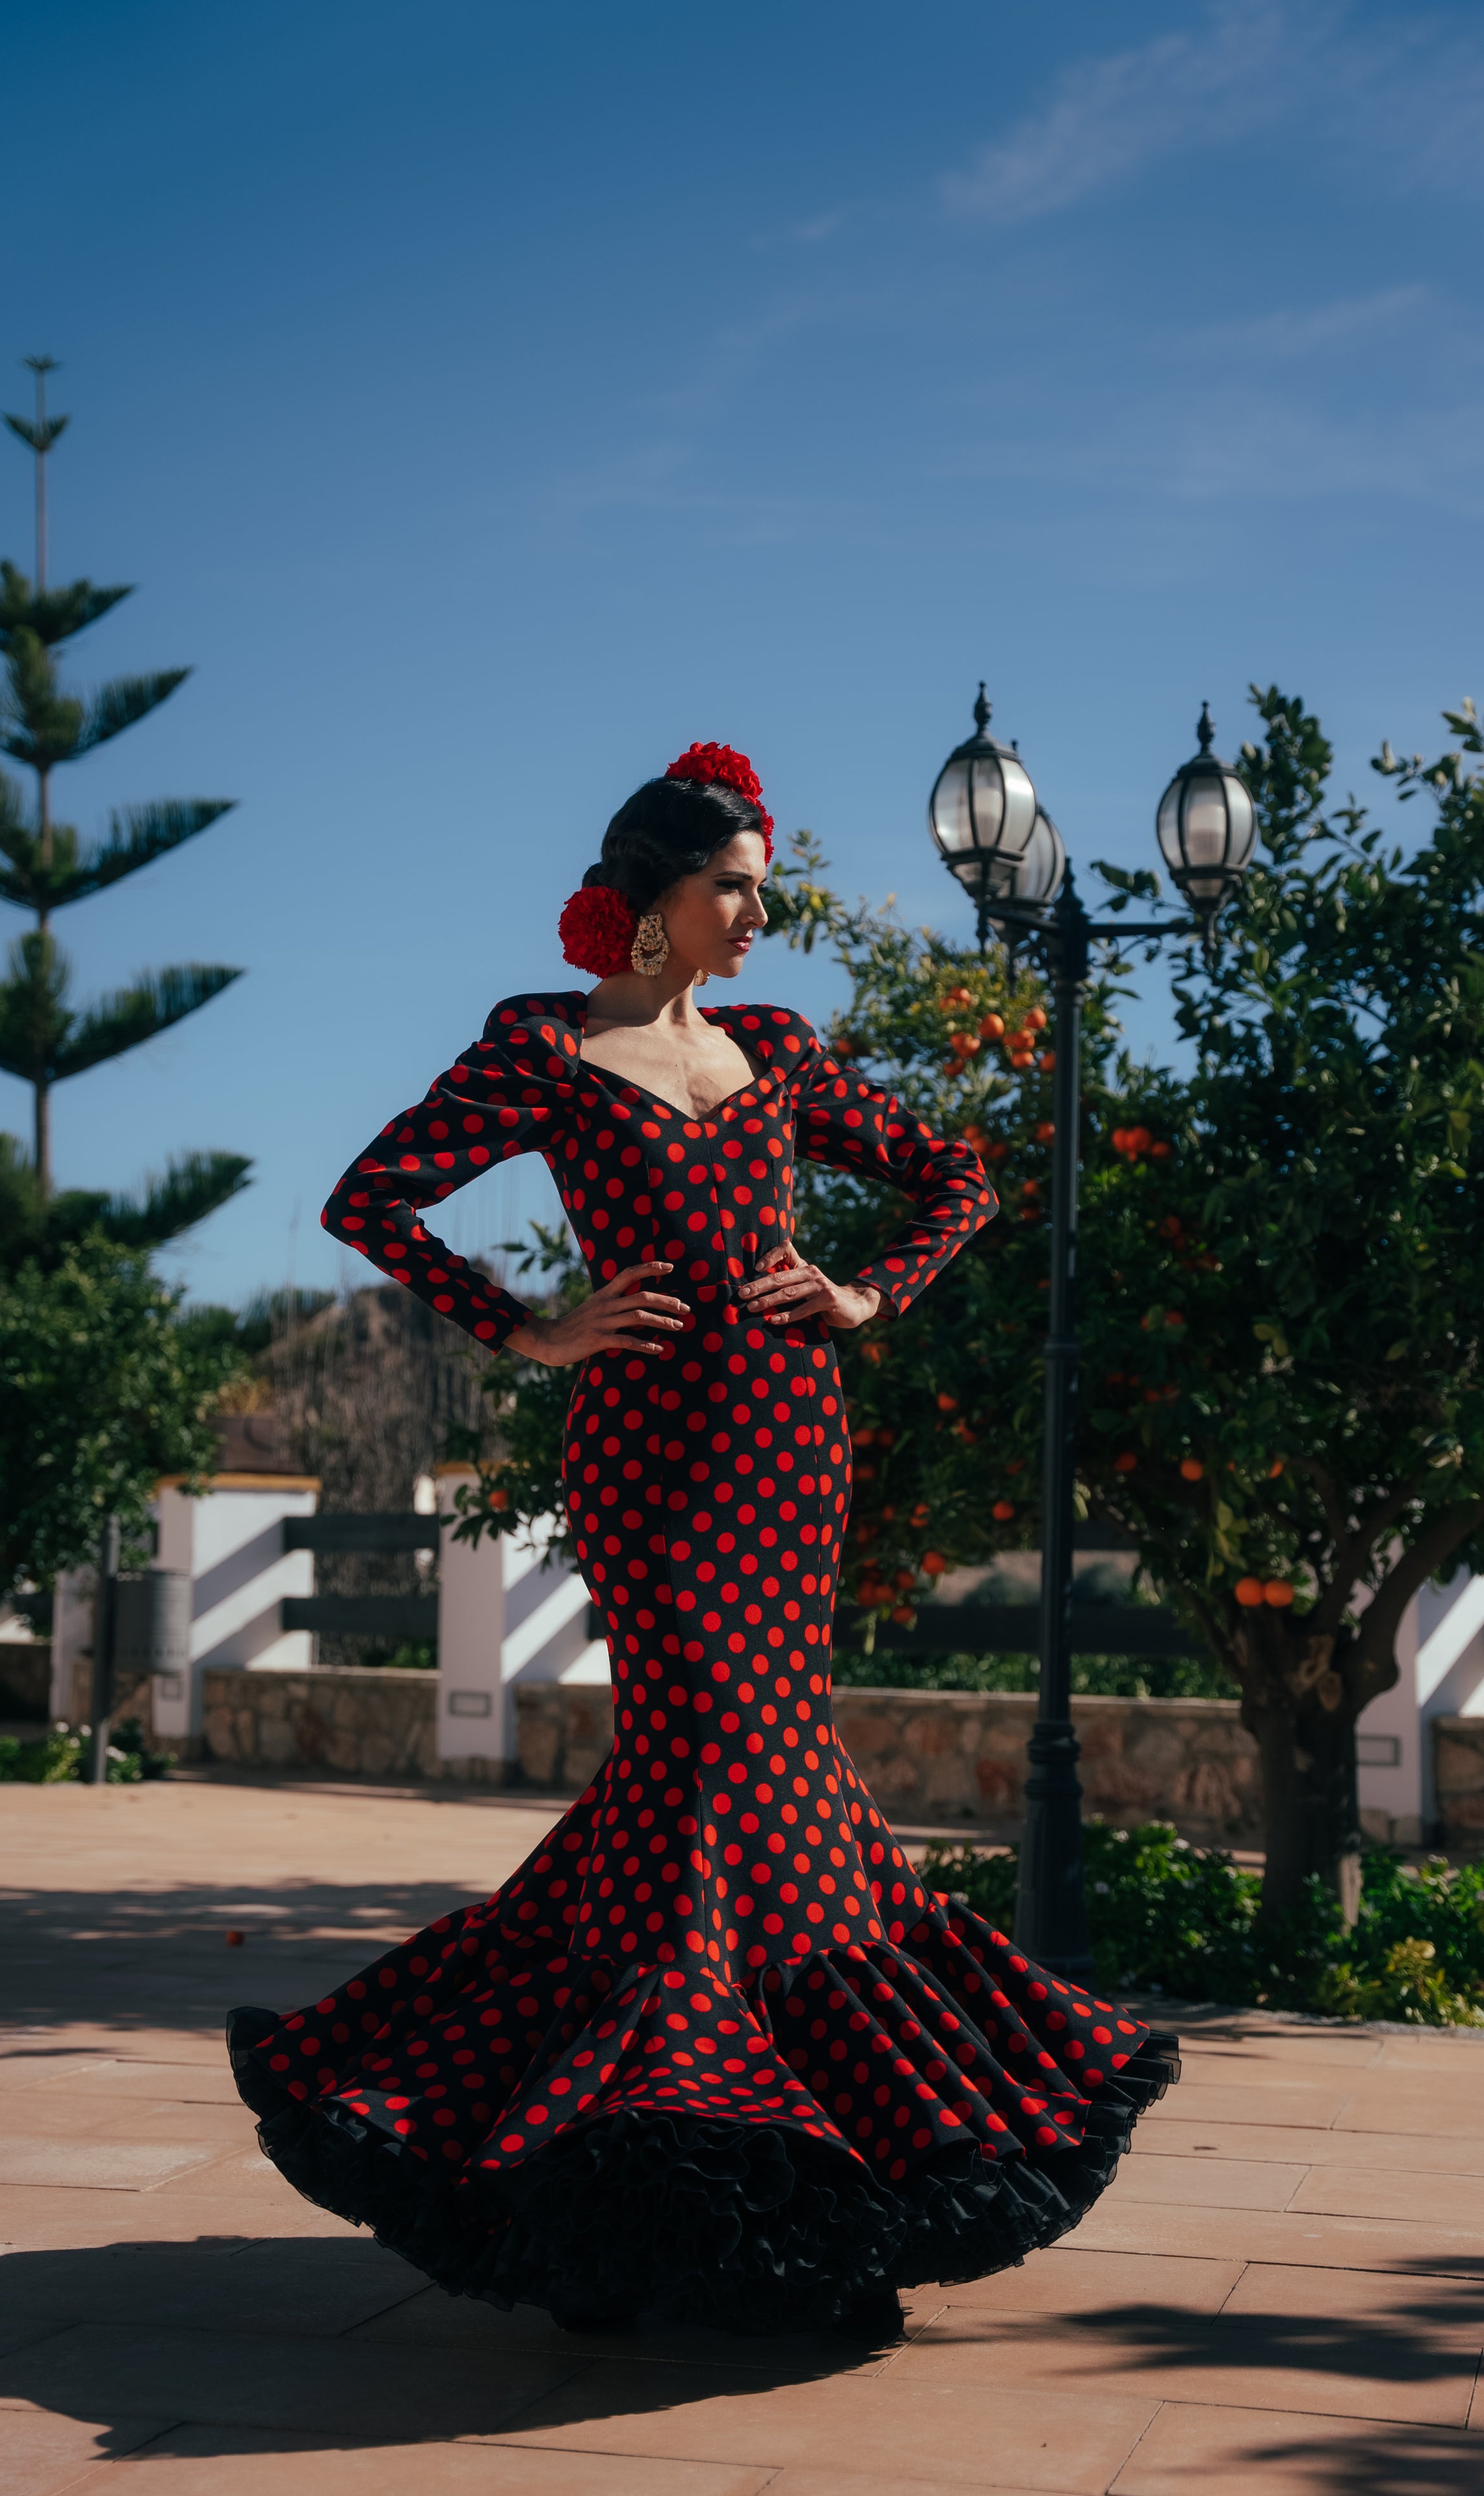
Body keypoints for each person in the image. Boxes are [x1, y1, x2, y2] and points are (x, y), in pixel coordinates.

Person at [228, 739, 1178, 2341]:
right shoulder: (542, 1050)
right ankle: (696, 2191)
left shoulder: (778, 1049)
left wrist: (866, 1293)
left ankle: (714, 2203)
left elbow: (955, 1174)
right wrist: (531, 1330)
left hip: (791, 1452)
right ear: (652, 894)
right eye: (731, 886)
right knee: (715, 1765)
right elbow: (368, 1201)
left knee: (741, 1790)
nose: (757, 913)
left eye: (761, 888)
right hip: (649, 1465)